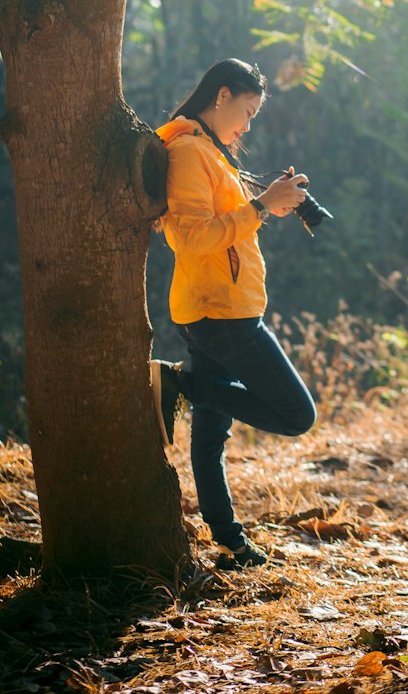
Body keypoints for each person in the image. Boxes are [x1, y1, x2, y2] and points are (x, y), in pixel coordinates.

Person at [149, 57, 317, 569]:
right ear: (221, 96)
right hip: (220, 313)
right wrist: (262, 206)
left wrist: (272, 204)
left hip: (218, 308)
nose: (247, 125)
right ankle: (179, 384)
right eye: (246, 111)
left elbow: (228, 226)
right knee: (296, 415)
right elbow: (194, 237)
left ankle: (231, 543)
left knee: (211, 433)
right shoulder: (187, 153)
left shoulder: (212, 152)